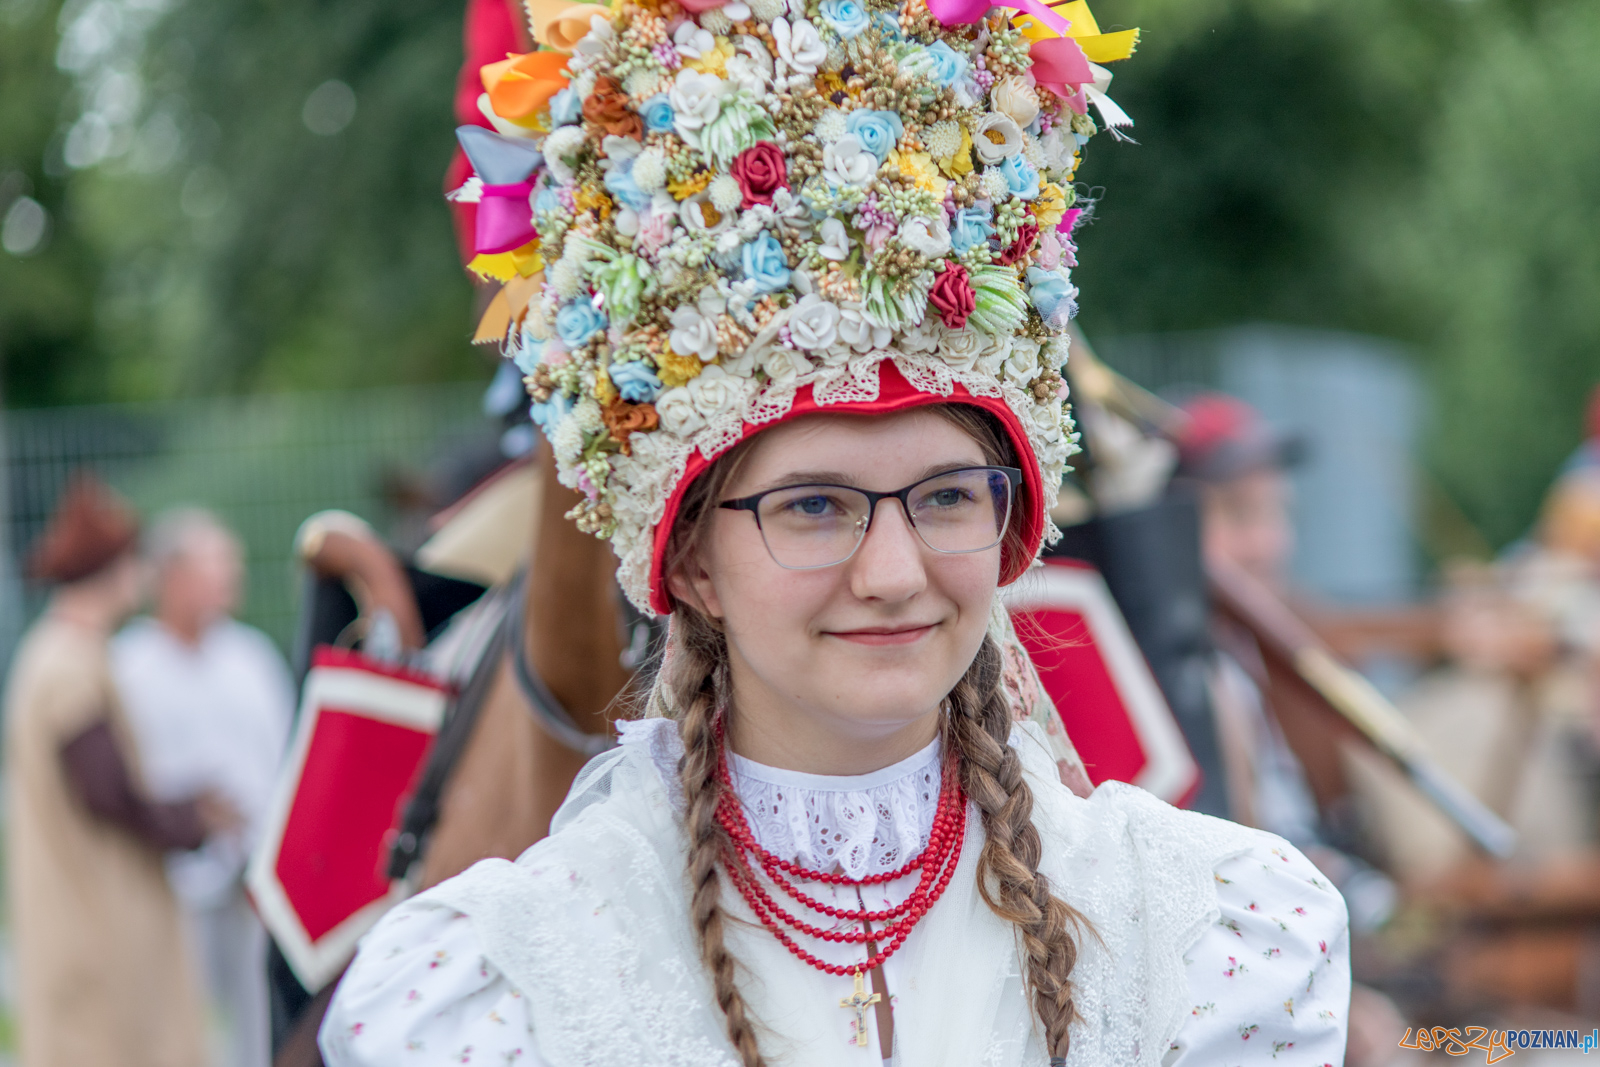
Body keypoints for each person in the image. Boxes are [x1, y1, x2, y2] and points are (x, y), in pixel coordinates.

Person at [321, 6, 1351, 1062]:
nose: (895, 575)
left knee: (1148, 507)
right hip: (654, 334)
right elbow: (502, 87)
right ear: (689, 562)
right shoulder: (493, 982)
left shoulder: (1233, 933)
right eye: (812, 506)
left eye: (952, 501)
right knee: (414, 598)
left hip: (956, 285)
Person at [3, 475, 222, 1067]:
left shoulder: (59, 653)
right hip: (94, 924)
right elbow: (107, 794)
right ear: (117, 568)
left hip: (87, 916)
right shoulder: (67, 664)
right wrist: (191, 820)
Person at [112, 508, 295, 1067]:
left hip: (253, 870)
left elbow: (283, 755)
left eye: (229, 566)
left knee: (260, 1014)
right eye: (214, 566)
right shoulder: (128, 668)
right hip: (171, 876)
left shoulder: (252, 658)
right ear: (170, 577)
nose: (229, 580)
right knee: (174, 1017)